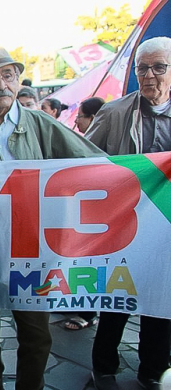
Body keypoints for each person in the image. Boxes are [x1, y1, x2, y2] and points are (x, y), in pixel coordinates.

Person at [0, 46, 105, 390]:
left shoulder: (42, 124)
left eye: (7, 75)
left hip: (30, 248)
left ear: (17, 80)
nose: (0, 84)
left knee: (36, 333)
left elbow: (90, 163)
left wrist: (142, 172)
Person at [85, 36, 171, 390]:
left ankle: (153, 370)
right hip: (124, 227)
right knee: (116, 299)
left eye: (159, 67)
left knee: (162, 301)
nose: (148, 75)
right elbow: (82, 161)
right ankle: (103, 367)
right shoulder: (114, 112)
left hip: (166, 232)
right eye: (142, 68)